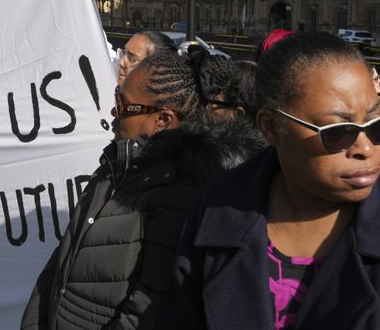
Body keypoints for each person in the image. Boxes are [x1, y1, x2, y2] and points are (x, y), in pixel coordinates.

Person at [166, 31, 380, 328]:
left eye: (378, 125)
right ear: (271, 127)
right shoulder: (217, 210)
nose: (366, 148)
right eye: (338, 132)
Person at [21, 50, 264, 329]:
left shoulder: (182, 195)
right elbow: (58, 265)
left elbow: (145, 313)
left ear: (163, 119)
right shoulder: (113, 167)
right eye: (116, 97)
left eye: (123, 104)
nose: (114, 111)